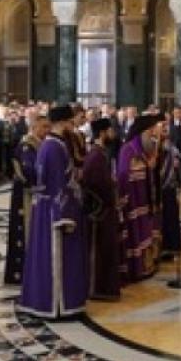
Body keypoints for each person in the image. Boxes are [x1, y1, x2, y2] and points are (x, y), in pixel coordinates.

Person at [20, 105, 88, 319]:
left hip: (44, 208)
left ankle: (47, 301)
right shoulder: (56, 147)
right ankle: (58, 305)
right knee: (58, 258)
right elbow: (60, 185)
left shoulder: (48, 144)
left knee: (44, 257)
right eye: (71, 122)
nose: (72, 126)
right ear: (64, 123)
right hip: (55, 213)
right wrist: (65, 216)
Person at [117, 114, 163, 282]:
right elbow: (123, 176)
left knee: (146, 233)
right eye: (150, 131)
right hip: (134, 201)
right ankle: (137, 268)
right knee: (136, 235)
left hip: (145, 200)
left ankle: (147, 266)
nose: (153, 135)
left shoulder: (144, 150)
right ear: (141, 132)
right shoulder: (128, 150)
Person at [4, 116, 46, 286]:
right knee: (24, 230)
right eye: (44, 127)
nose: (47, 130)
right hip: (24, 194)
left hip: (32, 192)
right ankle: (21, 272)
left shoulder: (40, 145)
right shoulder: (27, 146)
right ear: (34, 127)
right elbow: (29, 170)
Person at [82, 118, 121, 300]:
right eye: (110, 131)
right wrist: (111, 190)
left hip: (105, 211)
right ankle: (98, 289)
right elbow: (95, 184)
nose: (112, 134)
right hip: (101, 213)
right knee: (101, 252)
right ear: (102, 133)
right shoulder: (96, 155)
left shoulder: (100, 153)